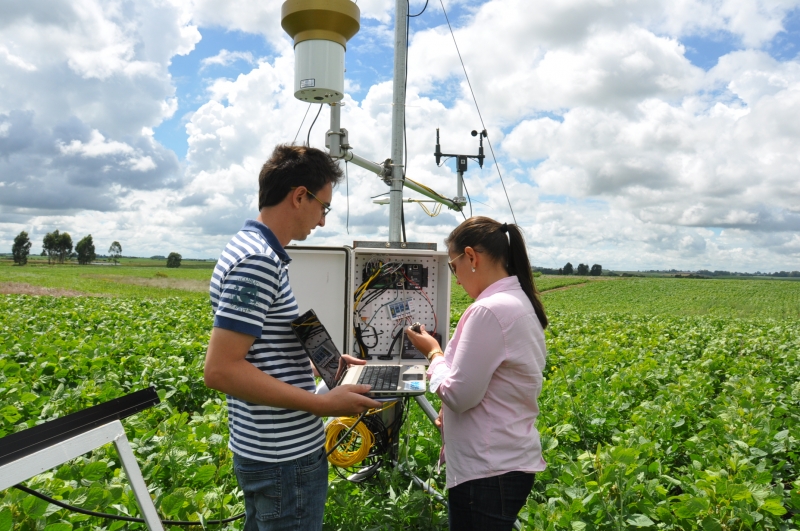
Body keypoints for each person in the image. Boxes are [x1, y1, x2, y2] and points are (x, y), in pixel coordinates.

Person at [203, 144, 381, 531]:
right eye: (324, 207)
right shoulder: (257, 262)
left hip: (267, 449)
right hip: (284, 458)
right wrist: (321, 405)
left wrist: (329, 366)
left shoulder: (253, 250)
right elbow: (221, 370)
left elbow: (263, 348)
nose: (321, 221)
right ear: (300, 196)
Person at [406, 216, 548, 531]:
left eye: (453, 267)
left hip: (488, 471)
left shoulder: (489, 310)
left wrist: (433, 352)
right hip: (504, 464)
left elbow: (459, 394)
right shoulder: (517, 301)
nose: (455, 279)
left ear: (471, 257)